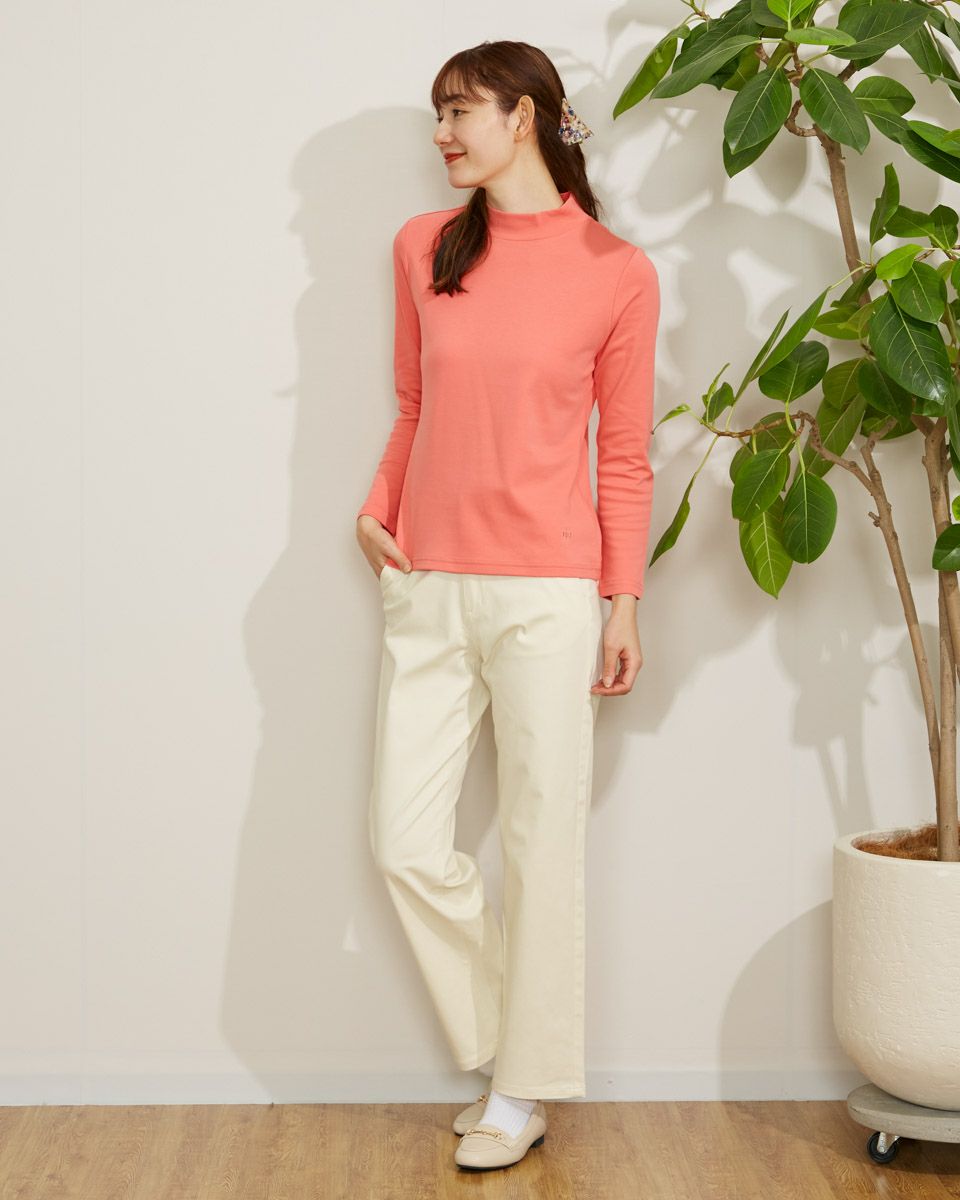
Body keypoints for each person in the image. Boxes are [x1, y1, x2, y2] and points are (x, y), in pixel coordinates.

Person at [355, 40, 661, 1172]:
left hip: (548, 593)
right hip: (428, 579)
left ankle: (521, 1090)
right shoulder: (422, 246)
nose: (441, 134)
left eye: (460, 112)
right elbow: (413, 403)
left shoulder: (616, 270)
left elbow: (622, 455)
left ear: (525, 117)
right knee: (403, 841)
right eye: (436, 115)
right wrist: (377, 506)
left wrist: (622, 600)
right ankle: (509, 1045)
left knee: (540, 843)